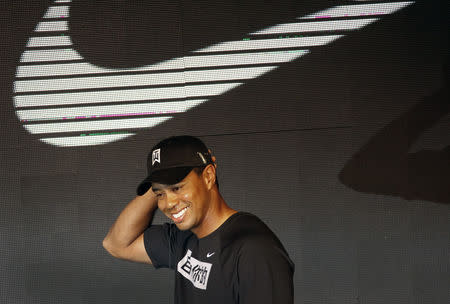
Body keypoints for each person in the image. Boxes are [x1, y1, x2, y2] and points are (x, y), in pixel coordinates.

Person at [103, 135, 294, 303]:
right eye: (159, 194)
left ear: (209, 176)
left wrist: (161, 183)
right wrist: (157, 180)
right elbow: (117, 244)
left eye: (177, 187)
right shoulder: (183, 239)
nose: (168, 204)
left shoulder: (254, 250)